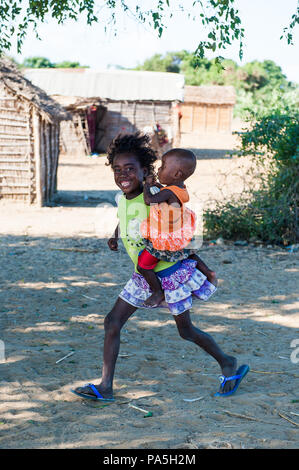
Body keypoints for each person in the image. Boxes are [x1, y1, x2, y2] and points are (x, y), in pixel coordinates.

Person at [71, 132, 249, 401]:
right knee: (112, 322)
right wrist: (115, 235)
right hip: (142, 275)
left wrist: (203, 267)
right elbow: (125, 217)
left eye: (130, 168)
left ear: (145, 171)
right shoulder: (124, 198)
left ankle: (227, 362)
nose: (123, 174)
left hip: (168, 275)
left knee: (185, 331)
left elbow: (180, 238)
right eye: (117, 169)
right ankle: (105, 387)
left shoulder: (158, 200)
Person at [137, 147, 217, 307]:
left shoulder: (168, 193)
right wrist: (158, 186)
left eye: (162, 166)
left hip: (165, 235)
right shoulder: (179, 188)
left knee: (143, 265)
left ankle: (158, 292)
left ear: (176, 174)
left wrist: (146, 185)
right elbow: (164, 192)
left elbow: (149, 200)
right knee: (186, 252)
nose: (159, 169)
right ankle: (208, 271)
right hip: (177, 230)